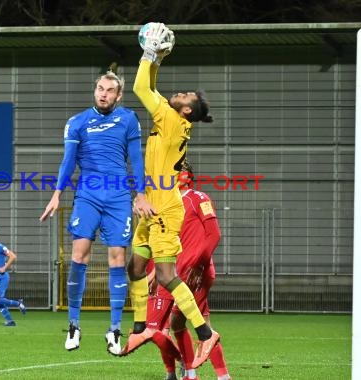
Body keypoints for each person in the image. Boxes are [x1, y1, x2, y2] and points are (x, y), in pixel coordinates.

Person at [120, 22, 219, 370]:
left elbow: (137, 86)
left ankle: (206, 334)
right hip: (151, 202)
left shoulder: (173, 120)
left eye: (186, 96)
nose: (180, 93)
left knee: (164, 275)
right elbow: (149, 84)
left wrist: (149, 53)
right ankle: (138, 327)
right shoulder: (171, 118)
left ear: (187, 110)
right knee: (134, 266)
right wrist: (157, 58)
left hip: (165, 206)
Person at [39, 70, 153, 354]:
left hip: (117, 197)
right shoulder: (77, 122)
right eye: (100, 89)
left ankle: (114, 330)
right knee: (79, 255)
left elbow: (136, 160)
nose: (103, 94)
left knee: (117, 259)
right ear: (95, 91)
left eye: (110, 90)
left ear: (118, 94)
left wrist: (140, 194)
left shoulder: (128, 119)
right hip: (88, 195)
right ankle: (74, 326)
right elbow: (68, 162)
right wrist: (56, 195)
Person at [144, 161, 232, 380]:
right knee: (178, 323)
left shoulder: (198, 198)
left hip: (194, 271)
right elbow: (161, 242)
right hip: (175, 271)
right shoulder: (166, 204)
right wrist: (154, 271)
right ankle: (193, 373)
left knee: (184, 324)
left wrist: (200, 264)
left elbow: (214, 234)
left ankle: (205, 374)